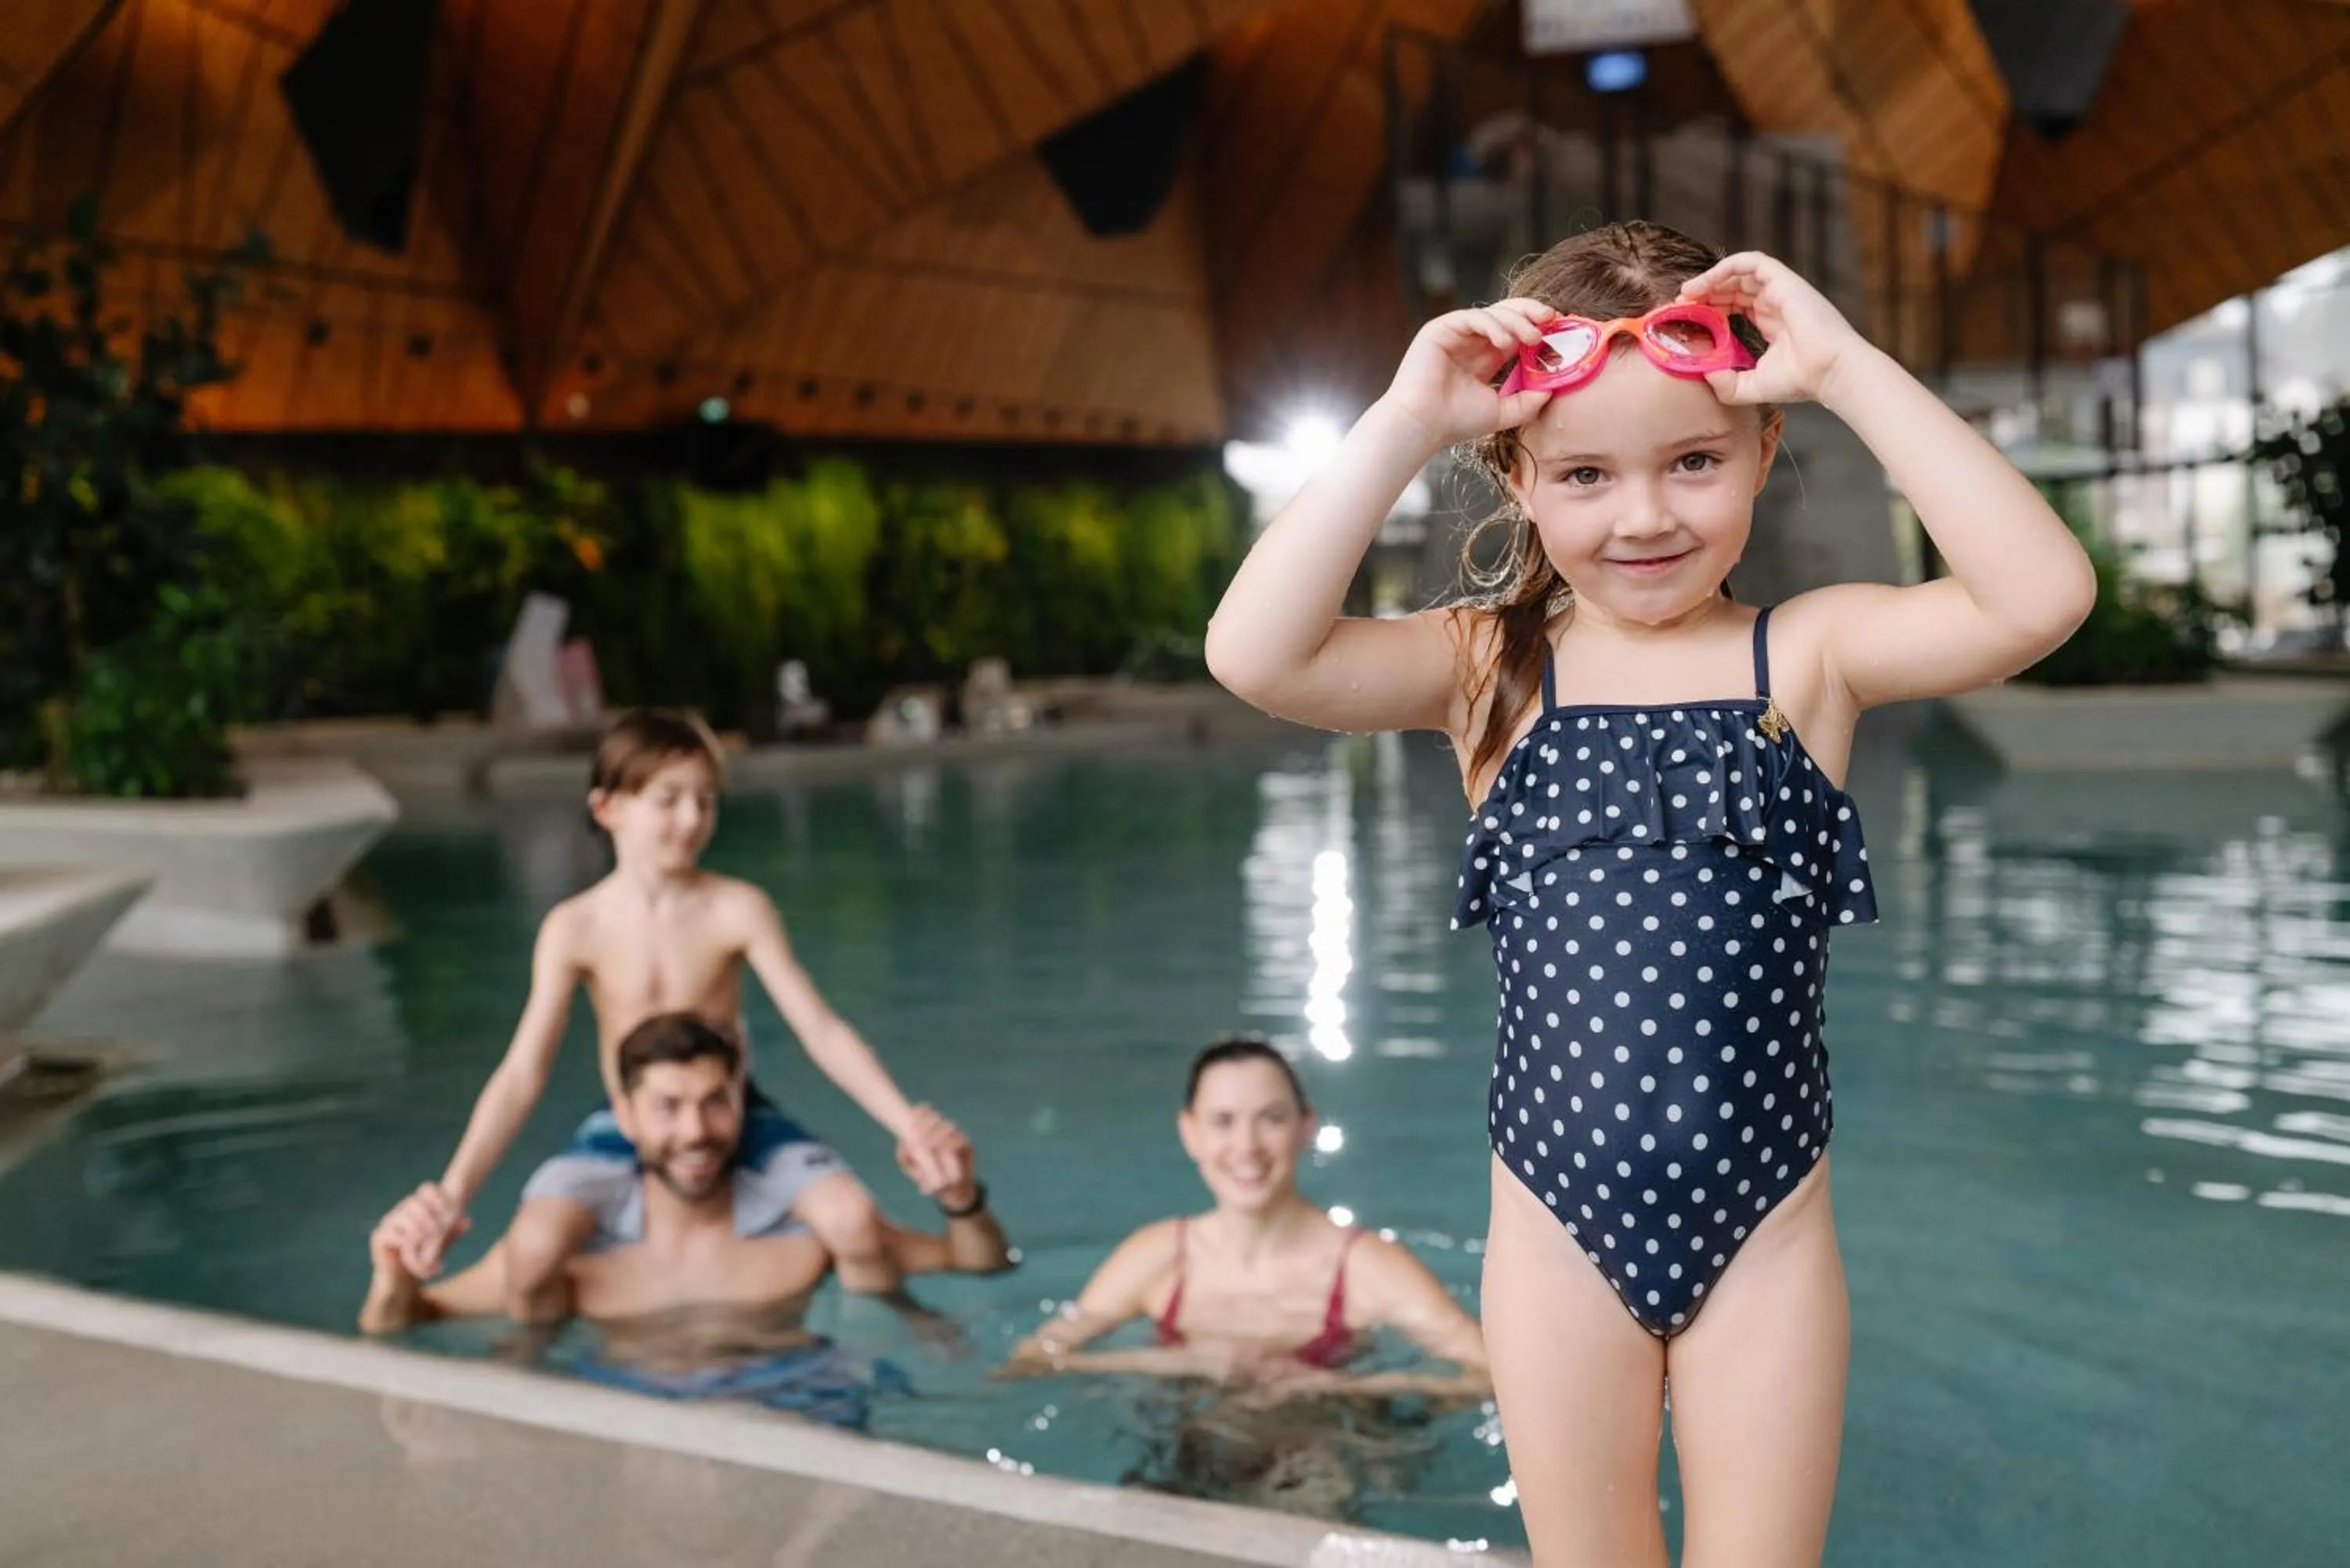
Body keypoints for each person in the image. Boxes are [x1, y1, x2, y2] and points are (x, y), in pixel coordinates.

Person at [1202, 222, 2095, 1565]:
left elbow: (2043, 592)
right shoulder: (1485, 669)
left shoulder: (1807, 659)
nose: (1645, 515)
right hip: (1556, 1241)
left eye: (1694, 460)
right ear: (1519, 473)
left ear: (1761, 450)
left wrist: (1844, 365)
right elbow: (1253, 653)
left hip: (1769, 1242)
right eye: (1585, 473)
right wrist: (1404, 419)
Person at [381, 710, 970, 1322]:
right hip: (627, 1123)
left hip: (735, 1116)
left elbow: (820, 1030)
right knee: (535, 1243)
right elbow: (523, 1072)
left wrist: (907, 1125)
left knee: (850, 1215)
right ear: (608, 808)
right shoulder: (575, 928)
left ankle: (896, 1342)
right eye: (670, 801)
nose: (692, 820)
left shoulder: (737, 909)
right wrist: (453, 1193)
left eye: (706, 802)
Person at [363, 1013, 1010, 1336]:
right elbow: (404, 1324)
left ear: (742, 1104)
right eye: (668, 1108)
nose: (696, 1131)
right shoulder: (577, 1263)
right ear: (624, 1116)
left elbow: (980, 1263)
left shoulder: (799, 1238)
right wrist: (392, 1274)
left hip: (801, 1425)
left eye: (715, 1102)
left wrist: (962, 1200)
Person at [1008, 1035, 1488, 1403]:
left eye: (1271, 1119)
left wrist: (1329, 1386)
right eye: (1222, 1122)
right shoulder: (1157, 1256)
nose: (1247, 1147)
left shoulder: (1367, 1267)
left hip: (1327, 1453)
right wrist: (1188, 1363)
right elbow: (1032, 1360)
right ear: (1189, 1133)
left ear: (1306, 1129)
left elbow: (1491, 1377)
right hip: (1187, 1442)